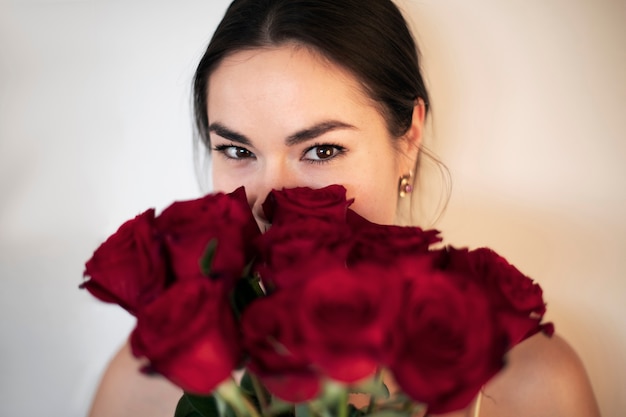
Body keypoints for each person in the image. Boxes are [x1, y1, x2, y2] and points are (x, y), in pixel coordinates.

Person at [87, 1, 601, 416]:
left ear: (409, 137)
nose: (270, 201)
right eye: (239, 151)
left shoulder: (533, 388)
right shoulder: (145, 386)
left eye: (322, 150)